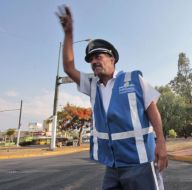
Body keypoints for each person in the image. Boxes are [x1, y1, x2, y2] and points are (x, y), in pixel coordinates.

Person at [56, 5, 168, 190]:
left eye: (98, 57)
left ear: (112, 59)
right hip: (113, 165)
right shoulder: (92, 86)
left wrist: (161, 143)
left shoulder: (133, 79)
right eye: (91, 60)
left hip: (140, 161)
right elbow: (69, 68)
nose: (94, 62)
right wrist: (69, 34)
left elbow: (152, 109)